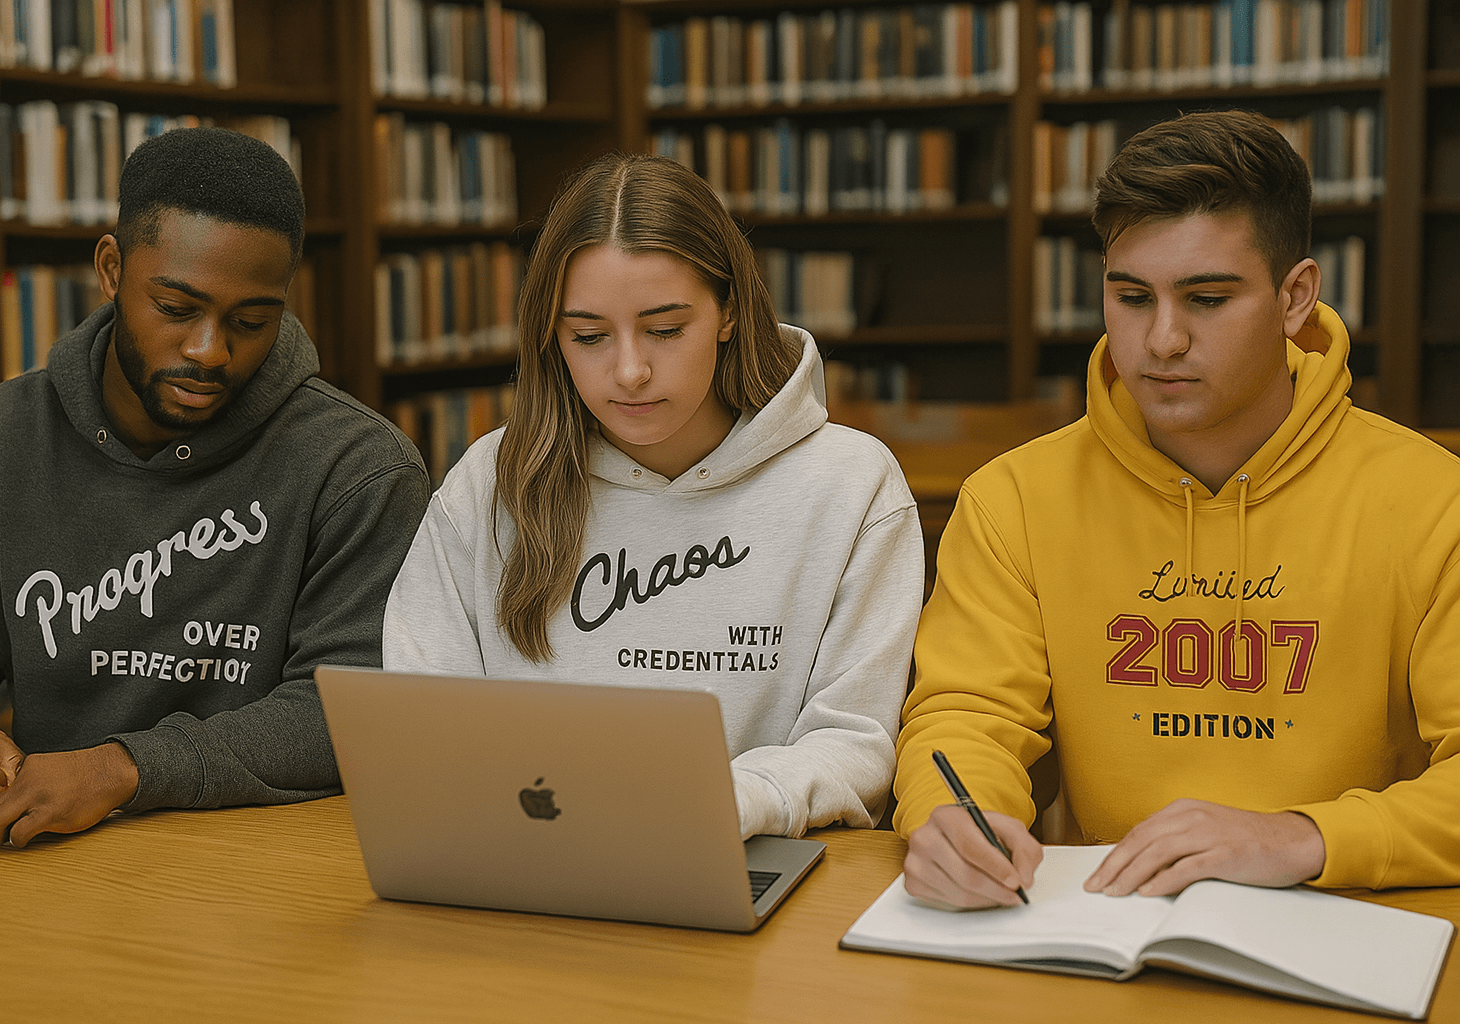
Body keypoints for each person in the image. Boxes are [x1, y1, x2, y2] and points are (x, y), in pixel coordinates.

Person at [896, 109, 1460, 907]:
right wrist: (956, 818)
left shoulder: (1436, 503)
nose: (1160, 340)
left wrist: (1304, 836)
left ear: (1294, 297)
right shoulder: (1014, 499)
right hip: (1104, 922)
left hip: (1350, 920)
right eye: (1131, 297)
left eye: (1205, 299)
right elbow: (968, 717)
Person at [383, 152, 923, 839]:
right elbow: (421, 718)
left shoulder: (852, 484)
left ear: (729, 312)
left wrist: (726, 803)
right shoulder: (489, 483)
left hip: (746, 851)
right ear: (552, 336)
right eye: (589, 336)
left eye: (666, 330)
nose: (631, 370)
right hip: (523, 856)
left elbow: (856, 740)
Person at [0, 127, 429, 847]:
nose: (209, 351)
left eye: (251, 321)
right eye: (176, 308)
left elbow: (347, 708)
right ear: (110, 267)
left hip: (273, 872)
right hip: (44, 866)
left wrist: (125, 769)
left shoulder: (358, 469)